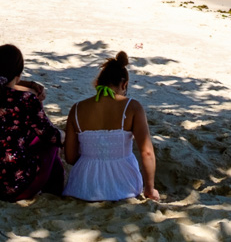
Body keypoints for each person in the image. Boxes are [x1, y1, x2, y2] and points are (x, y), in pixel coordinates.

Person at [0, 45, 64, 201]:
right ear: (18, 74)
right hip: (12, 186)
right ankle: (54, 189)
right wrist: (63, 136)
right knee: (50, 145)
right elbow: (51, 136)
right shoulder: (26, 100)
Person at [63, 52, 159, 202]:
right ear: (124, 84)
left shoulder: (76, 109)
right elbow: (147, 153)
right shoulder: (132, 107)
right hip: (124, 185)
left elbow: (70, 157)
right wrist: (149, 189)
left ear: (98, 83)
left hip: (83, 186)